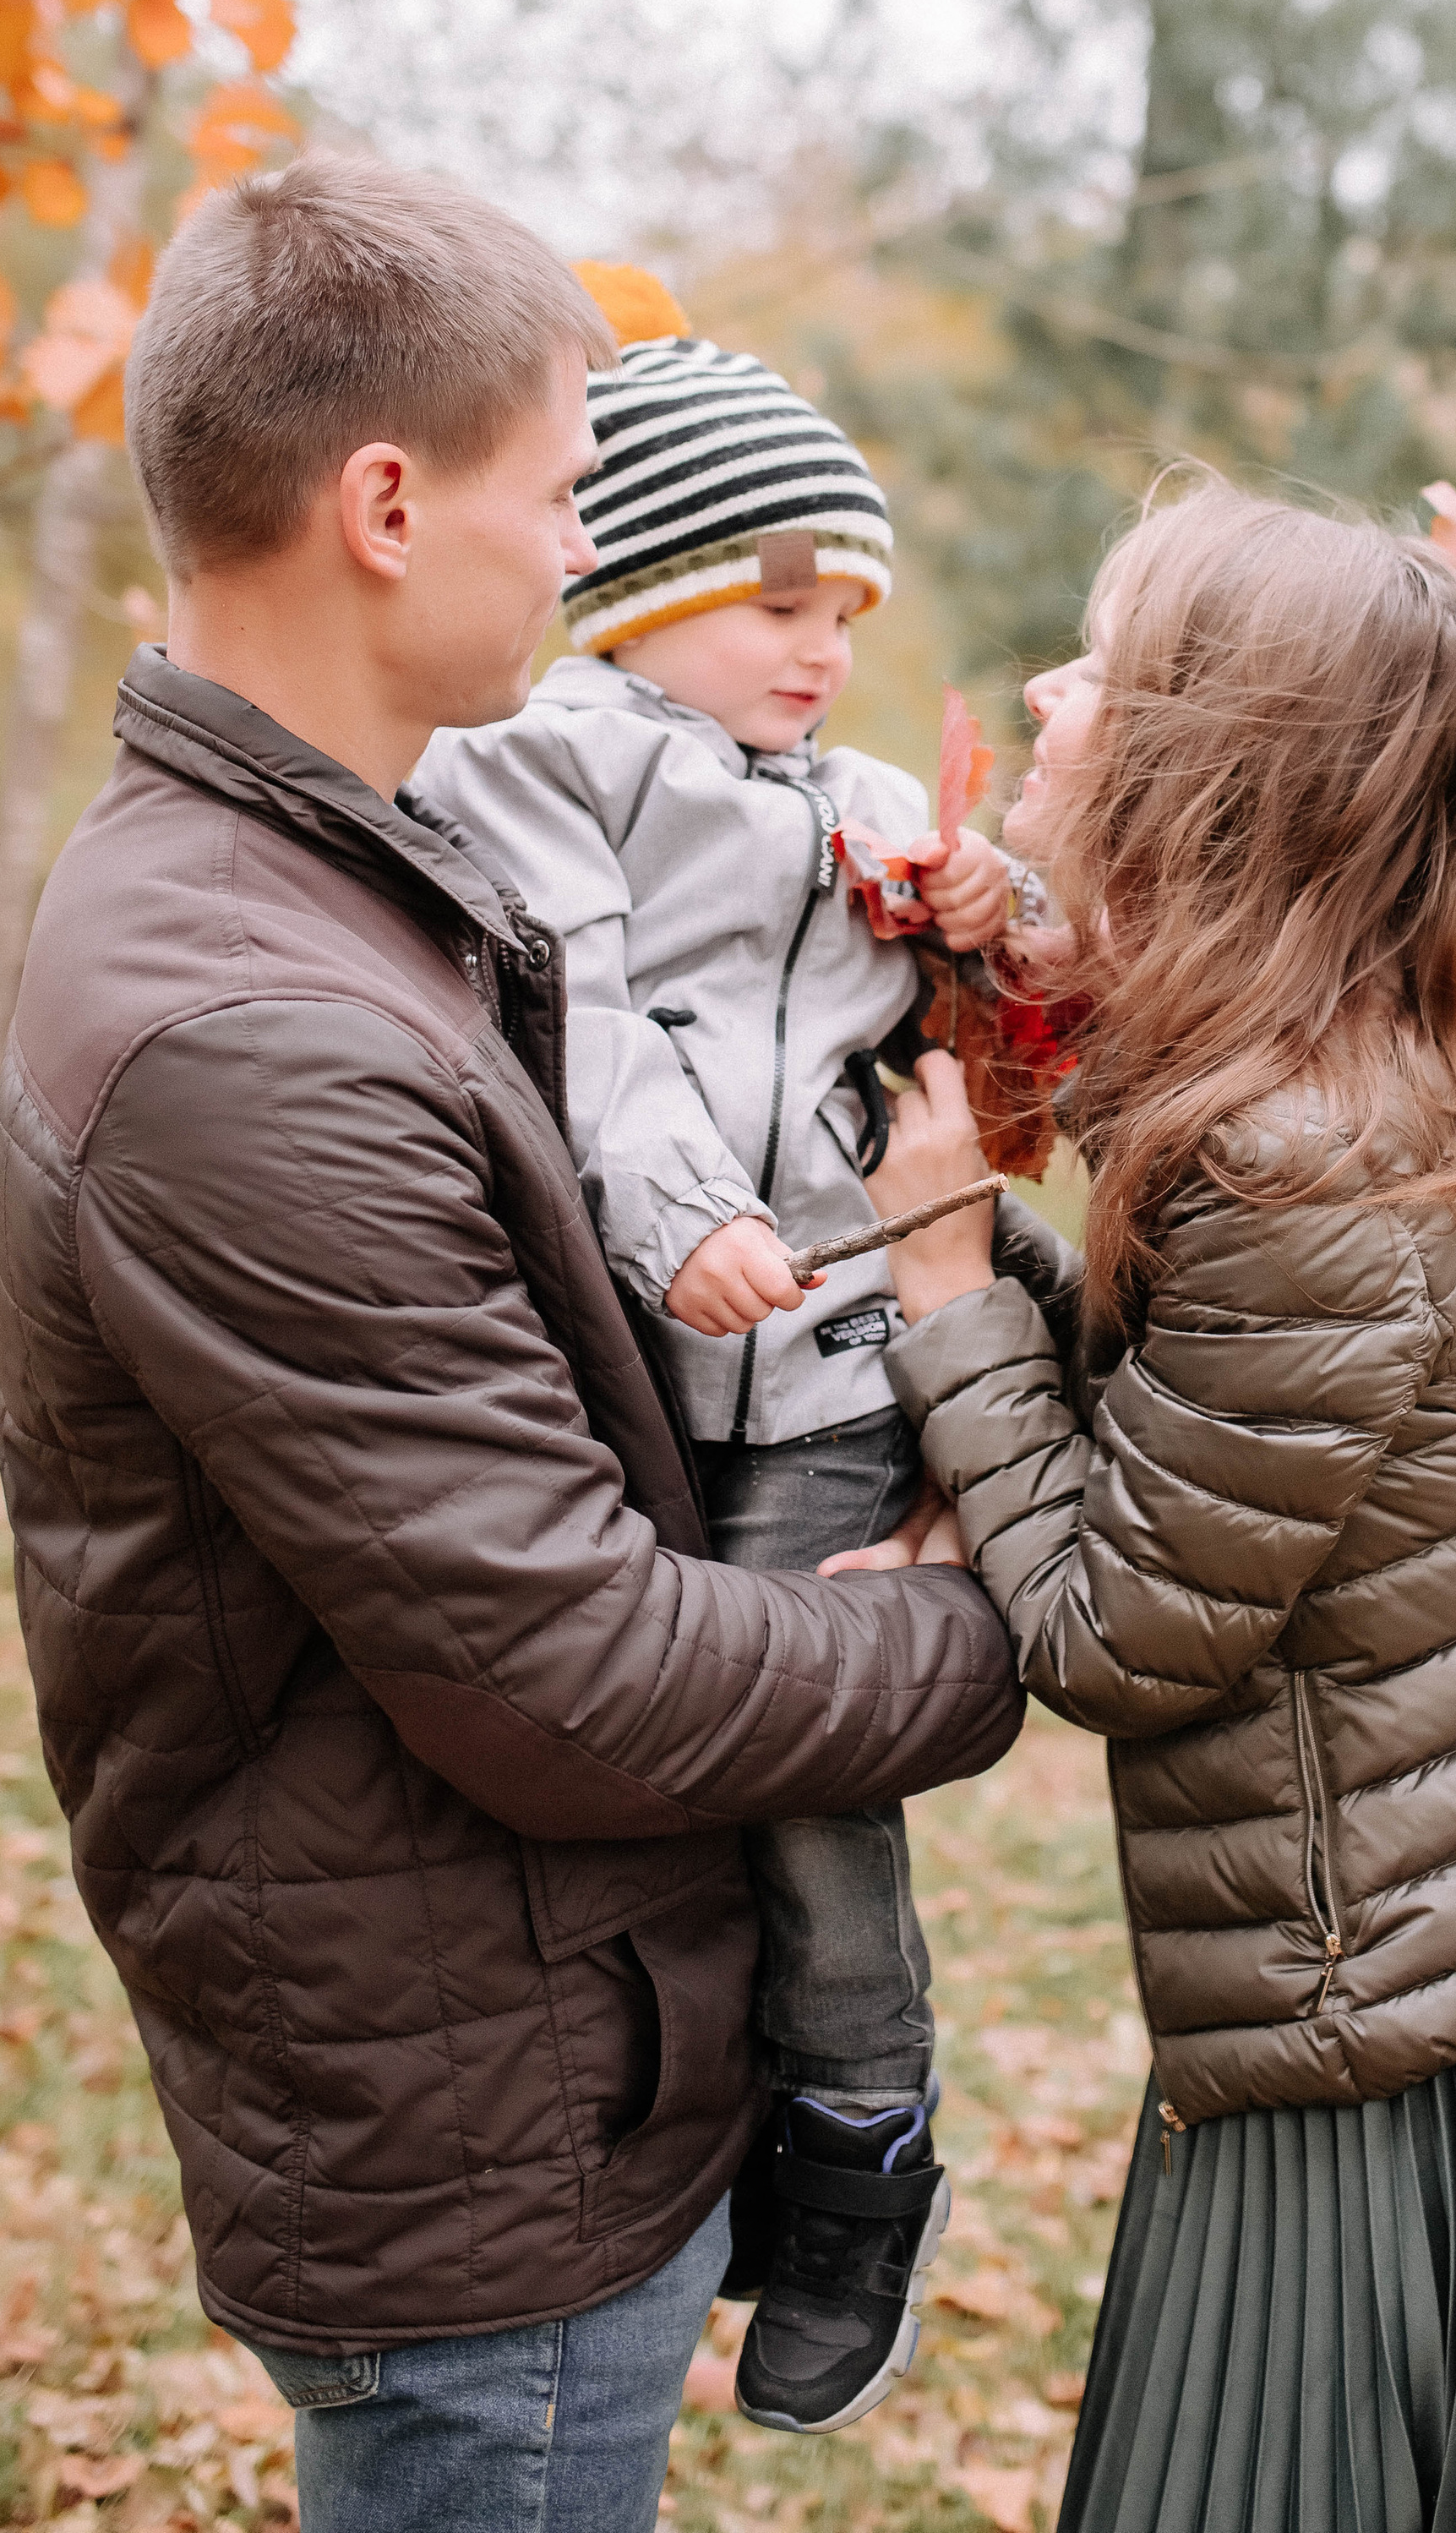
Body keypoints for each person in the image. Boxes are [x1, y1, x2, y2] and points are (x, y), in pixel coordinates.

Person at [0, 155, 1022, 2533]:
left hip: (547, 2049)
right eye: (562, 494)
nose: (582, 552)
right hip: (480, 2155)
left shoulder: (348, 869)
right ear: (384, 503)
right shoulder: (251, 1023)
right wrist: (990, 1621)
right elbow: (571, 1676)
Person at [836, 480, 1456, 2533]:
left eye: (1109, 669)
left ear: (1207, 767)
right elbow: (1194, 1418)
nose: (1054, 696)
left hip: (1428, 2049)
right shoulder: (1327, 1049)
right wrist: (1026, 1021)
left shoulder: (1289, 1154)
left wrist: (936, 1277)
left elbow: (1117, 1631)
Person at [418, 330, 1012, 2435]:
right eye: (780, 598)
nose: (822, 647)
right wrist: (674, 1219)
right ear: (643, 585)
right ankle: (725, 2127)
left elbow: (1004, 980)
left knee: (805, 1789)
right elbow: (584, 1018)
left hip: (835, 1365)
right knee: (641, 1775)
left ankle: (863, 2146)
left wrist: (978, 903)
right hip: (652, 1362)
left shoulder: (856, 801)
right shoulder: (538, 760)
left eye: (848, 608)